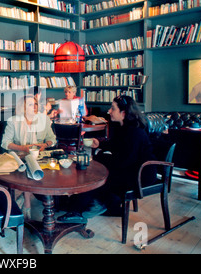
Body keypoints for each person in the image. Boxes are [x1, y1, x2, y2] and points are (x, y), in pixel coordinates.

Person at [57, 95, 155, 223]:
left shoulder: (135, 133)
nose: (109, 111)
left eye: (113, 108)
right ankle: (82, 206)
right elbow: (115, 145)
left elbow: (124, 161)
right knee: (92, 170)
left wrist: (101, 158)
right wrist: (100, 144)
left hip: (139, 174)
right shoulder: (122, 127)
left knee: (95, 177)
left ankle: (78, 210)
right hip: (128, 169)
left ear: (123, 113)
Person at [1, 95, 57, 218]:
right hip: (19, 156)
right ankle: (27, 204)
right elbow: (5, 143)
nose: (35, 107)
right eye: (31, 104)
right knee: (27, 167)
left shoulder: (44, 119)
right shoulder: (14, 121)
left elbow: (52, 139)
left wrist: (45, 144)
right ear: (23, 107)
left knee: (36, 166)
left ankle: (28, 200)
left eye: (36, 104)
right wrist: (23, 148)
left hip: (40, 155)